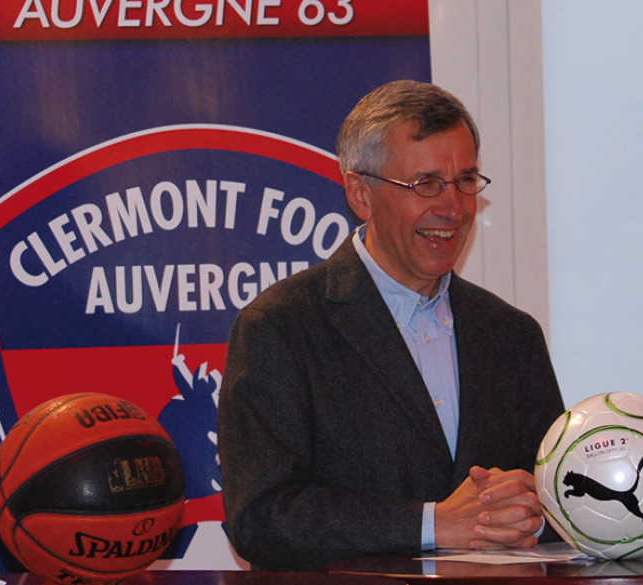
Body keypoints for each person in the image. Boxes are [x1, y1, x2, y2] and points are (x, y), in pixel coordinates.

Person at [217, 80, 565, 571]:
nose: (453, 207)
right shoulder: (280, 326)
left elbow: (558, 500)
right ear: (361, 193)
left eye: (465, 180)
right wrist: (432, 523)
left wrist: (529, 510)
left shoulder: (513, 334)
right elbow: (261, 518)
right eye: (426, 184)